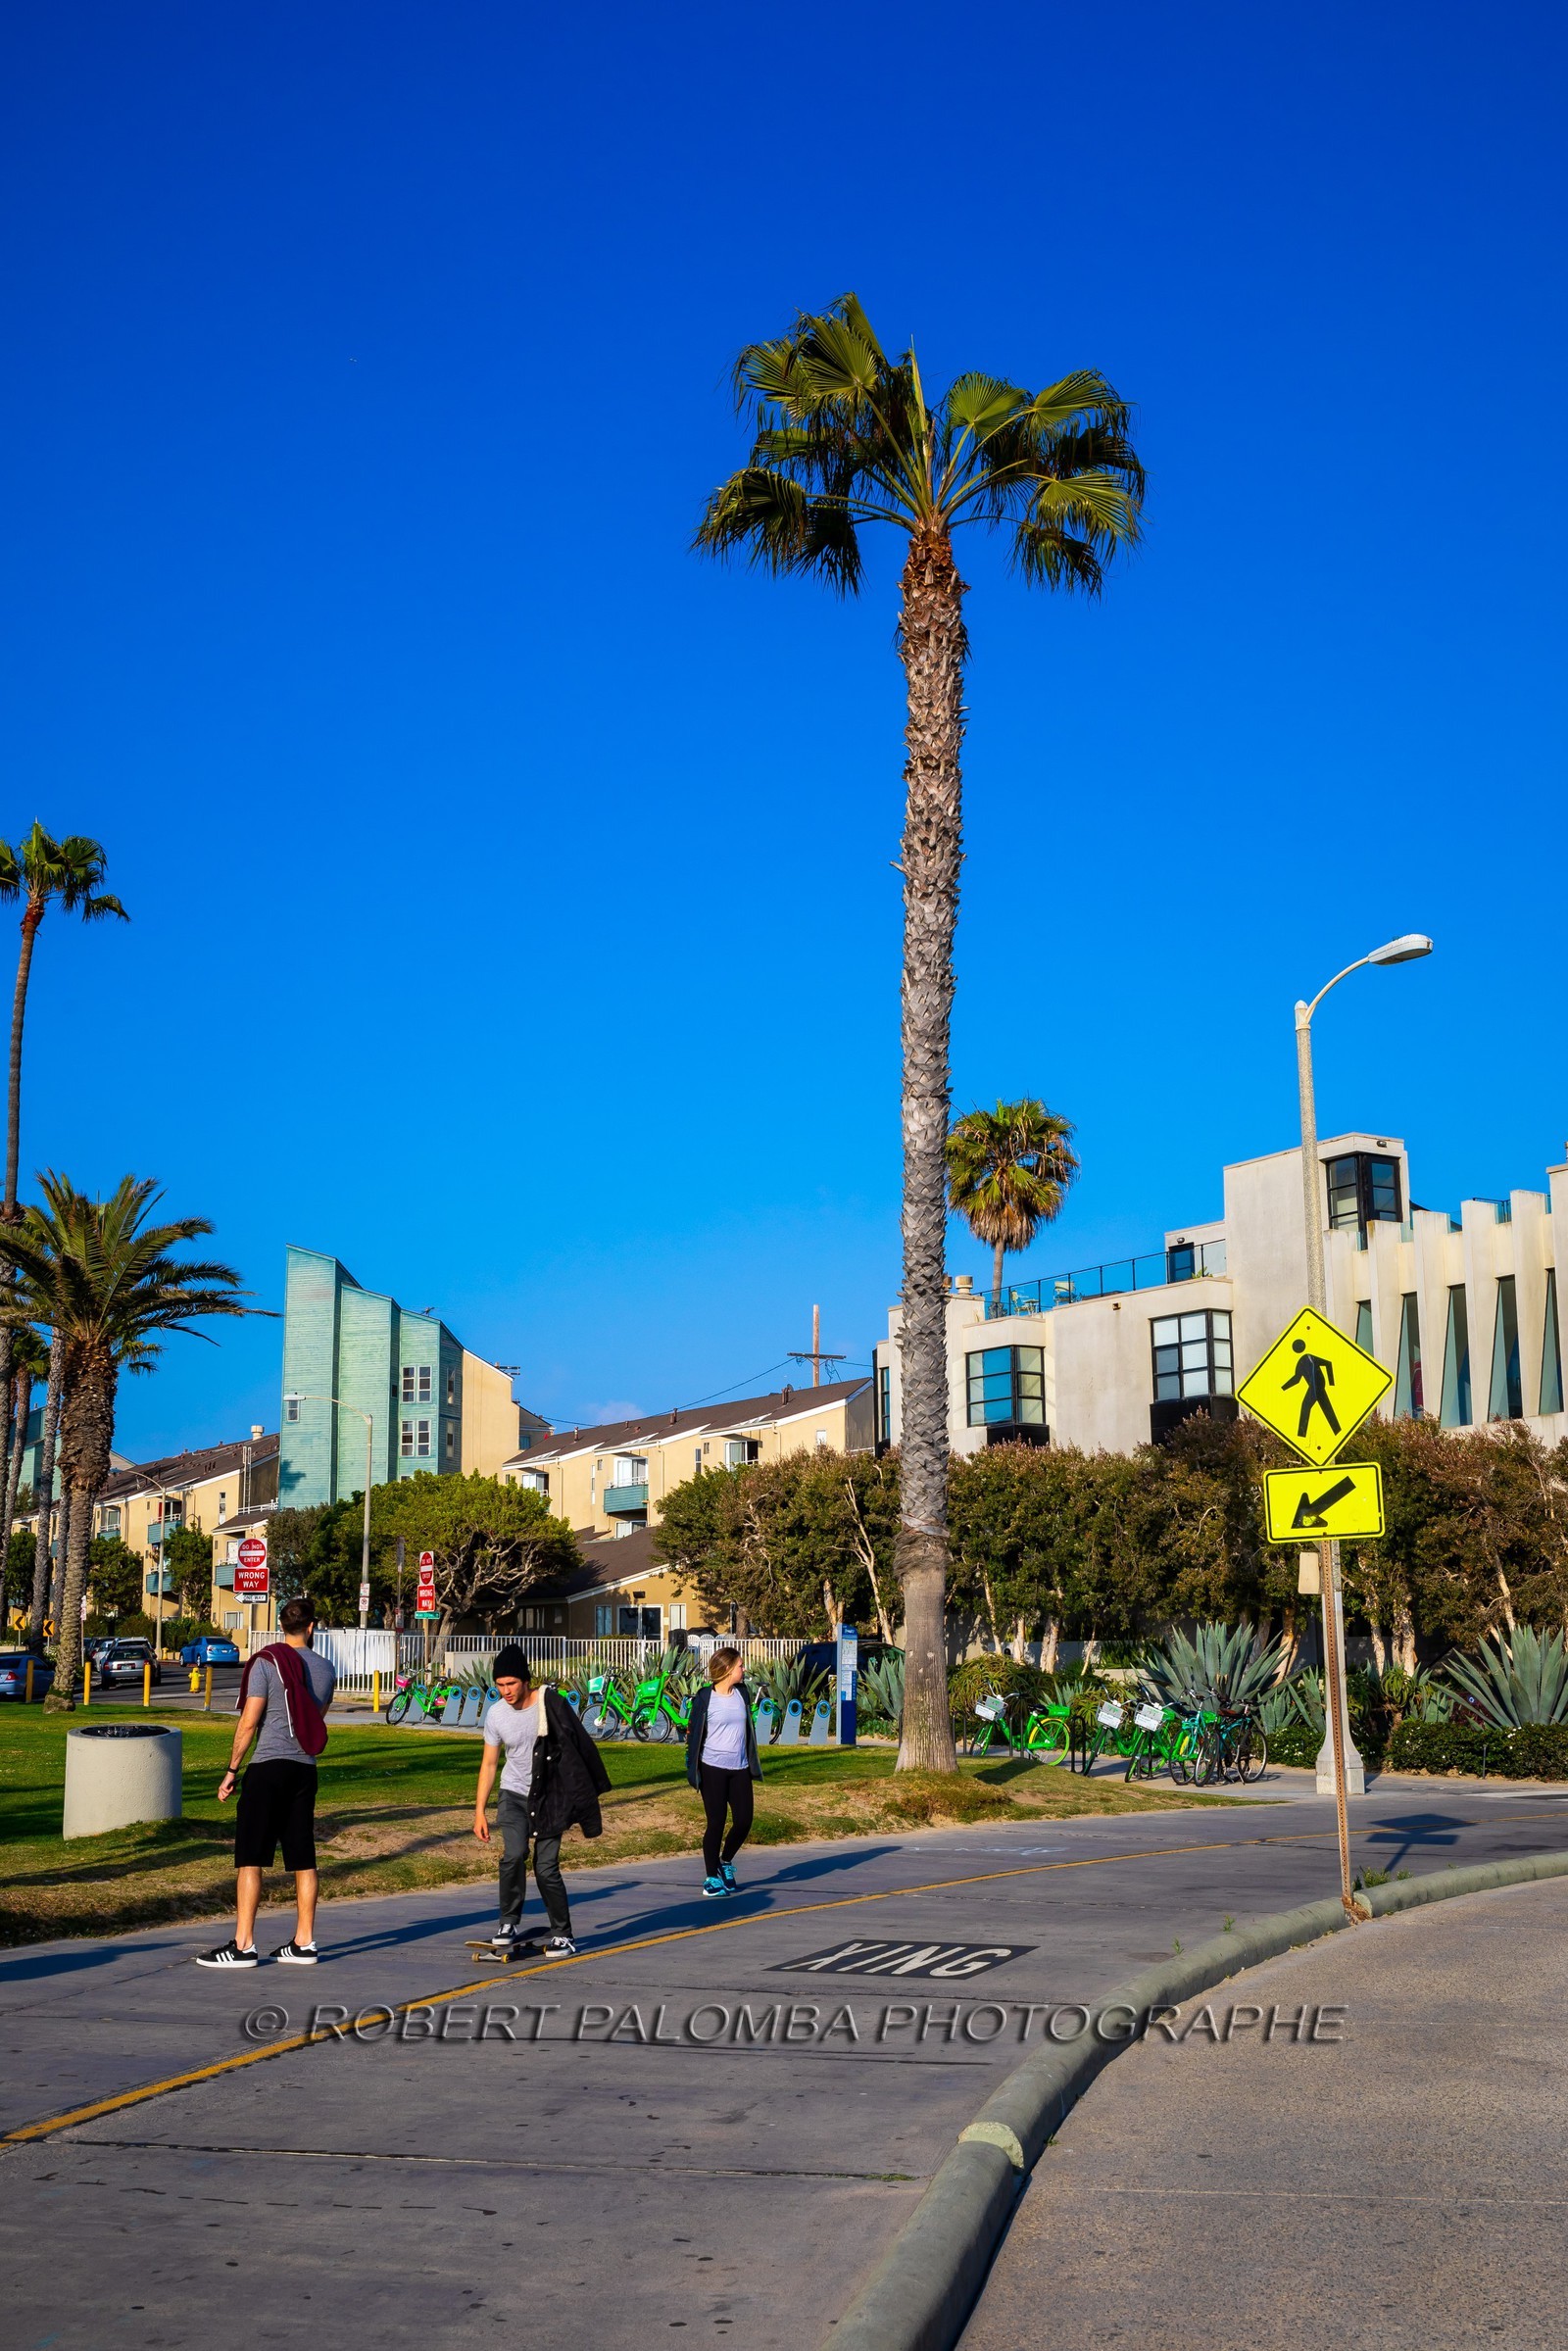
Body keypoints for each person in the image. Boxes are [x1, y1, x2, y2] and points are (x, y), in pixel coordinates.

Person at [197, 1594, 336, 1968]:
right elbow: (314, 1722)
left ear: (281, 1626)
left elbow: (248, 1722)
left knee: (251, 1857)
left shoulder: (266, 1662)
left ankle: (243, 1945)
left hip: (267, 1768)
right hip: (304, 1770)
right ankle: (304, 1942)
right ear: (311, 1627)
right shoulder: (326, 1669)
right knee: (303, 1857)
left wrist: (231, 1770)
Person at [473, 1644, 611, 1956]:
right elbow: (489, 1764)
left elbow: (577, 1747)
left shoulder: (549, 1706)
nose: (506, 1691)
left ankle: (563, 1933)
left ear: (526, 1680)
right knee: (513, 1855)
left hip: (549, 1798)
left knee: (546, 1867)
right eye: (500, 1685)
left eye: (511, 1684)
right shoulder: (496, 1715)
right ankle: (508, 1923)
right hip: (513, 1794)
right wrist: (479, 1811)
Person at [685, 1645, 762, 1897]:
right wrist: (692, 1769)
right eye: (740, 1665)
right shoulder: (704, 1698)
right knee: (716, 1823)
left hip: (740, 1768)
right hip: (712, 1769)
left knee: (744, 1821)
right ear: (728, 1669)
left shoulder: (743, 1693)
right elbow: (693, 1734)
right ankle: (711, 1878)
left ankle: (725, 1861)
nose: (744, 1669)